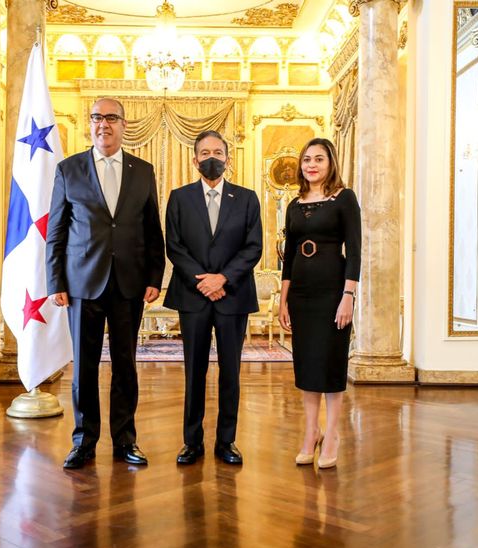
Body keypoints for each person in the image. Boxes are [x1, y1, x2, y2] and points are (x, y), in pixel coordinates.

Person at [46, 97, 165, 469]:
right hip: (82, 284)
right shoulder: (69, 170)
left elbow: (152, 229)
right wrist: (56, 282)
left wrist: (154, 276)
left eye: (111, 118)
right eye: (97, 118)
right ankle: (83, 442)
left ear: (123, 125)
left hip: (130, 284)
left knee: (126, 366)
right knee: (84, 367)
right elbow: (57, 232)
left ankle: (126, 440)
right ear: (90, 124)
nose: (104, 125)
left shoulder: (143, 171)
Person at [164, 130, 263, 465]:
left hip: (232, 296)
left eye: (218, 152)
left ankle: (227, 441)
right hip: (193, 298)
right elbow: (174, 247)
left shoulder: (247, 198)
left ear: (227, 159)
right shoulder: (178, 198)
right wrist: (203, 282)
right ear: (194, 160)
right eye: (204, 152)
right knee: (195, 370)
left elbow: (254, 247)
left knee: (230, 371)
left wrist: (223, 278)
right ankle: (192, 442)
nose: (211, 158)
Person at [278, 138, 360, 469]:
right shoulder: (295, 204)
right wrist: (283, 300)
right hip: (301, 294)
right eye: (307, 159)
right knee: (307, 365)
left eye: (319, 159)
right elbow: (288, 257)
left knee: (330, 363)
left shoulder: (344, 198)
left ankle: (333, 433)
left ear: (331, 163)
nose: (311, 164)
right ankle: (310, 433)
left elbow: (354, 250)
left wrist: (348, 297)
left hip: (332, 292)